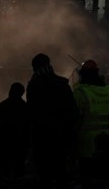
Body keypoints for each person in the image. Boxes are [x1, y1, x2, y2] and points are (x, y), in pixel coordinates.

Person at [26, 53, 79, 189]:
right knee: (61, 172)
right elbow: (73, 112)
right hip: (61, 136)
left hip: (42, 138)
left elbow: (32, 113)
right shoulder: (62, 84)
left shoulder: (33, 86)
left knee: (45, 176)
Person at [73, 60, 109, 166]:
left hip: (87, 145)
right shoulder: (108, 91)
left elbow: (72, 116)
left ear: (82, 75)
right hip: (108, 140)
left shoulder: (80, 92)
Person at [0, 82, 29, 184]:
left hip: (5, 144)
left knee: (4, 170)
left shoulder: (3, 105)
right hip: (20, 144)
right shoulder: (25, 107)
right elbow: (27, 127)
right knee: (19, 169)